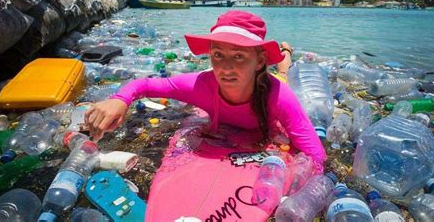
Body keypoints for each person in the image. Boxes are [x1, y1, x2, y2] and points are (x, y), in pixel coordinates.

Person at [84, 10, 326, 171]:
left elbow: (317, 157)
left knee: (283, 74)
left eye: (239, 55)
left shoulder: (279, 98)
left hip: (273, 82)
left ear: (260, 60)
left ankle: (285, 52)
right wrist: (119, 100)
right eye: (218, 54)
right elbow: (144, 85)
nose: (227, 68)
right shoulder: (200, 85)